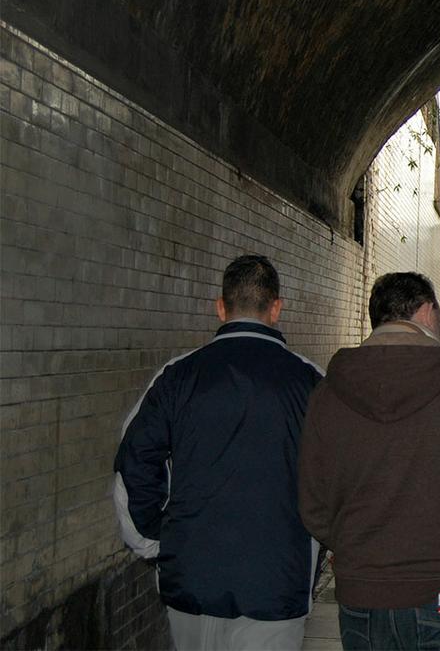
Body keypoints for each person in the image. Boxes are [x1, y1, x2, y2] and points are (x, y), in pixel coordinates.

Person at [298, 272, 440, 650]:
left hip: (363, 593)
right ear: (425, 310)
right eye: (439, 317)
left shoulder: (329, 393)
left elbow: (312, 500)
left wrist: (353, 546)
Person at [113, 255, 324, 650]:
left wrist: (155, 540)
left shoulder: (175, 376)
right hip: (276, 581)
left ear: (221, 307)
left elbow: (134, 462)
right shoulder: (312, 383)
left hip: (192, 575)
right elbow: (337, 480)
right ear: (276, 308)